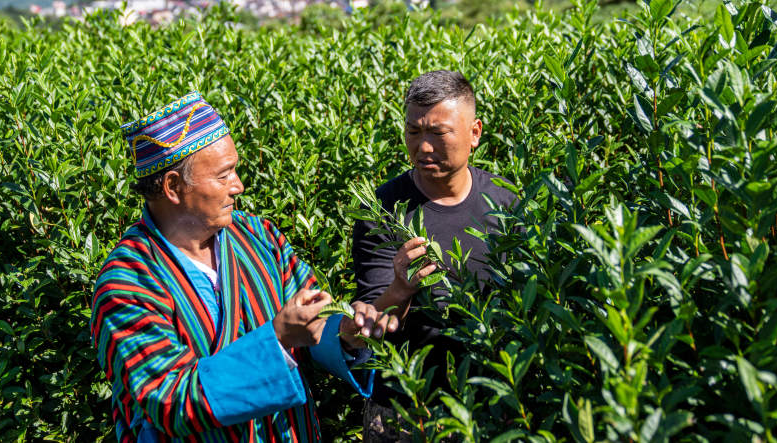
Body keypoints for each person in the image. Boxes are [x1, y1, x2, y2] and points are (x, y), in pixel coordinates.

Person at [91, 91, 398, 443]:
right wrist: (278, 340)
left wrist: (343, 329)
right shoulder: (128, 283)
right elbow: (169, 400)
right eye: (223, 175)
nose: (238, 186)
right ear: (174, 187)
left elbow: (313, 314)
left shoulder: (259, 237)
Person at [351, 70, 518, 442]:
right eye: (413, 132)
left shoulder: (506, 204)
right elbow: (373, 324)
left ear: (474, 133)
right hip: (407, 410)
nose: (423, 146)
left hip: (492, 405)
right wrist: (400, 288)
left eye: (439, 133)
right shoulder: (383, 209)